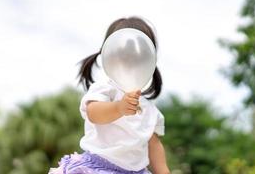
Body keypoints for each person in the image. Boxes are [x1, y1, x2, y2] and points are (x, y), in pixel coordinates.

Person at [48, 17, 170, 174]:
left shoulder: (152, 112)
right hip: (98, 168)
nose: (130, 60)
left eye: (137, 54)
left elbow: (154, 146)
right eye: (124, 53)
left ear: (149, 57)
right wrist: (119, 107)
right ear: (110, 55)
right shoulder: (105, 89)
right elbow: (93, 113)